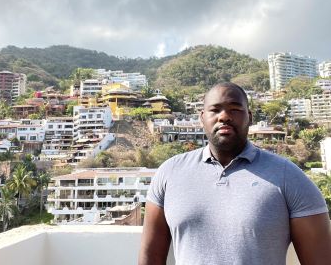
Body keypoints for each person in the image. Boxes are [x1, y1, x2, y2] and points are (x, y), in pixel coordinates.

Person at [138, 82, 331, 265]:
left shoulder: (288, 176)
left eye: (235, 109)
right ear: (202, 117)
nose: (224, 116)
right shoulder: (169, 173)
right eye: (215, 110)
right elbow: (150, 257)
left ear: (250, 116)